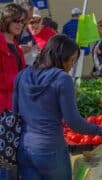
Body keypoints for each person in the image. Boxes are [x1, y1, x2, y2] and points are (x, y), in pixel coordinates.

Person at [14, 35, 102, 180]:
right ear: (61, 57)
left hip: (24, 147)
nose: (72, 66)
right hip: (51, 149)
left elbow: (16, 112)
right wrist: (100, 131)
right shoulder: (62, 79)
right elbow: (74, 122)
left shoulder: (21, 75)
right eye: (72, 60)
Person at [0, 3, 27, 180]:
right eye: (16, 20)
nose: (20, 24)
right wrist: (18, 81)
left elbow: (22, 72)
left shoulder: (16, 45)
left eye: (22, 21)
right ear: (6, 20)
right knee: (4, 161)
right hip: (3, 108)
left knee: (13, 158)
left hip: (16, 107)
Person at [62, 7, 92, 74]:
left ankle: (72, 82)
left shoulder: (66, 25)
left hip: (70, 50)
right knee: (78, 69)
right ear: (79, 15)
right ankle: (76, 83)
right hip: (82, 49)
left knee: (71, 69)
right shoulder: (84, 25)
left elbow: (63, 39)